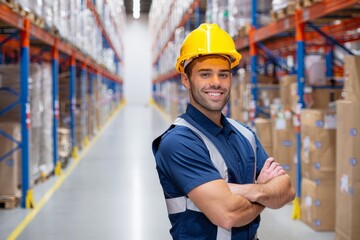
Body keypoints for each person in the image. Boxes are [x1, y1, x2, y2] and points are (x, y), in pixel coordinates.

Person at [152, 23, 295, 240]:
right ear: (185, 80)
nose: (216, 83)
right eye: (205, 74)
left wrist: (245, 191)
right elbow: (228, 214)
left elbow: (287, 191)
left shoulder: (244, 134)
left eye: (223, 74)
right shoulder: (178, 142)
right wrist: (263, 189)